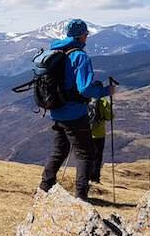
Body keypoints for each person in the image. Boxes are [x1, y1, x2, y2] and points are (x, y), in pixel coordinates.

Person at [39, 19, 114, 200]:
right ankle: (81, 197)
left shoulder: (58, 52)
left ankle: (44, 187)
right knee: (85, 154)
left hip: (56, 111)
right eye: (86, 34)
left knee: (59, 151)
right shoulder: (80, 56)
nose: (86, 37)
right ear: (82, 35)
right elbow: (85, 89)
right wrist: (105, 91)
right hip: (75, 113)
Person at [87, 96, 114, 184]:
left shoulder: (86, 99)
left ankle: (85, 177)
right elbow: (110, 117)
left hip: (85, 132)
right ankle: (95, 178)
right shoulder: (103, 102)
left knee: (85, 156)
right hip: (99, 134)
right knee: (97, 157)